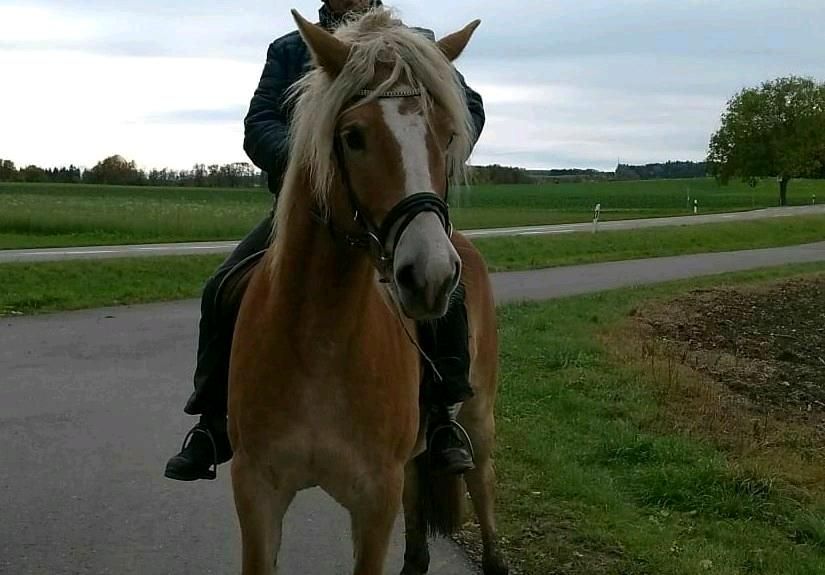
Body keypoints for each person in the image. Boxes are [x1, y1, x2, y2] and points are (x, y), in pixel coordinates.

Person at [164, 0, 486, 482]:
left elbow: (469, 107)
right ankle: (214, 422)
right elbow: (259, 124)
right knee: (222, 287)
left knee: (448, 293)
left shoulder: (417, 47)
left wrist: (435, 149)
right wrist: (312, 164)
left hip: (392, 207)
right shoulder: (292, 49)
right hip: (306, 211)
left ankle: (440, 417)